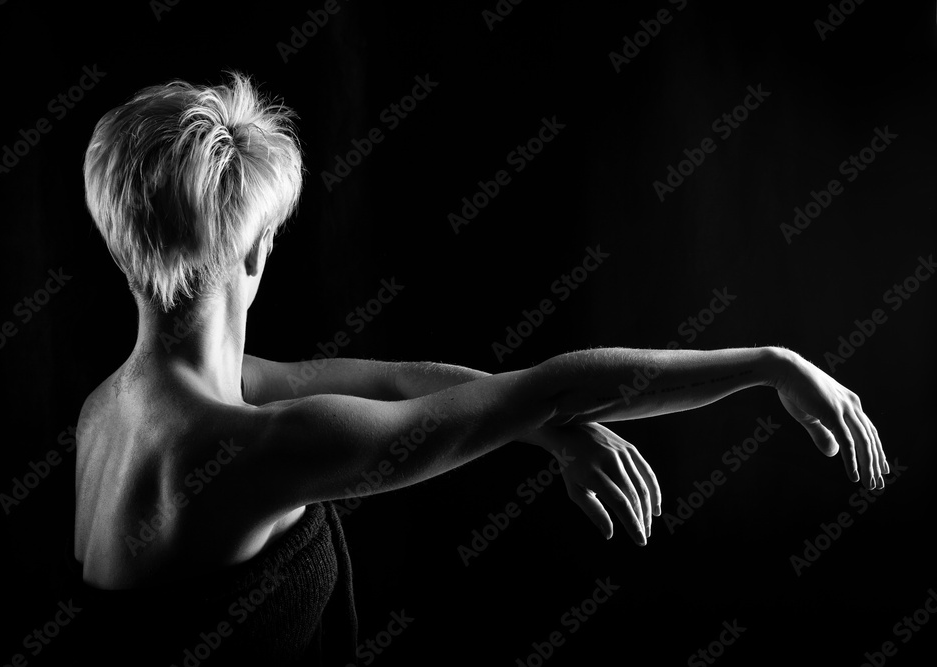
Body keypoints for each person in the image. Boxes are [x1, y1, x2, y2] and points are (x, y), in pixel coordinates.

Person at [72, 71, 888, 665]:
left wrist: (546, 431)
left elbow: (396, 383)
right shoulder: (258, 452)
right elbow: (552, 385)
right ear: (255, 251)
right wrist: (767, 364)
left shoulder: (113, 410)